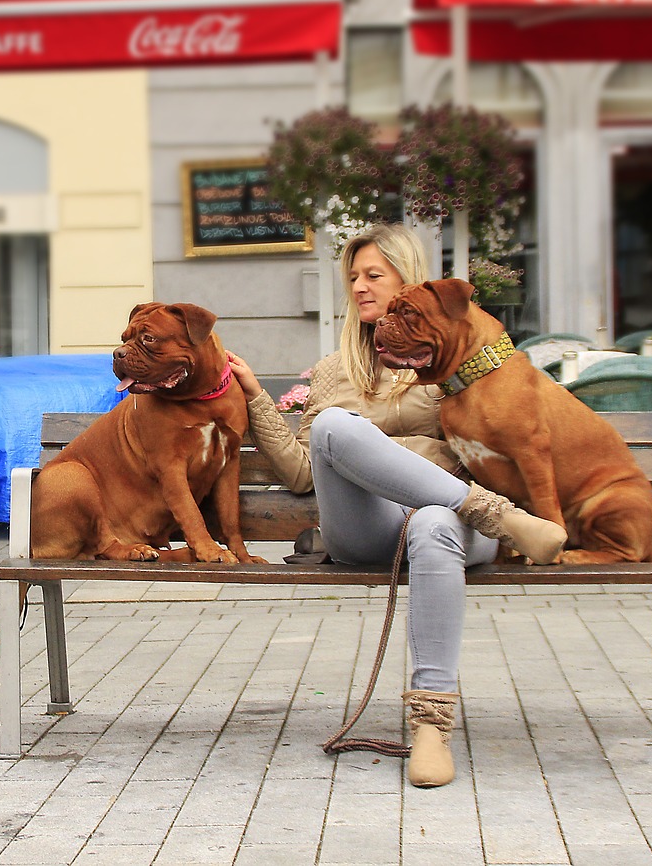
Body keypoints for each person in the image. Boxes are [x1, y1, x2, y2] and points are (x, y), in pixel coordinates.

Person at [226, 223, 566, 789]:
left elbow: (513, 425)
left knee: (434, 520)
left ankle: (430, 727)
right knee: (335, 424)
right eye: (352, 277)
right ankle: (498, 517)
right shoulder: (335, 371)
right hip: (369, 529)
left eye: (373, 275)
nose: (359, 287)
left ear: (408, 280)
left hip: (449, 530)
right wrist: (258, 397)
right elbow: (304, 472)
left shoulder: (450, 360)